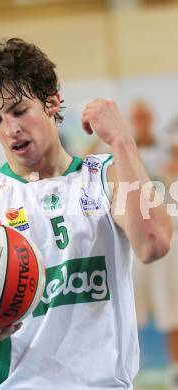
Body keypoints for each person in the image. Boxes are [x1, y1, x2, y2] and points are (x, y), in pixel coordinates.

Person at [0, 38, 172, 389]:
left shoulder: (106, 176)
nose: (10, 129)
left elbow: (154, 244)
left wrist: (122, 140)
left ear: (52, 102)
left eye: (19, 110)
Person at [129, 101, 178, 390]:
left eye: (144, 116)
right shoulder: (118, 153)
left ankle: (175, 371)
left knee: (171, 310)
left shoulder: (167, 152)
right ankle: (124, 371)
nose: (140, 121)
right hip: (134, 244)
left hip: (167, 244)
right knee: (126, 311)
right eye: (135, 117)